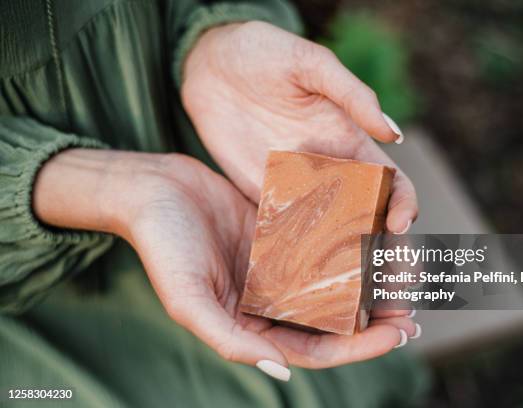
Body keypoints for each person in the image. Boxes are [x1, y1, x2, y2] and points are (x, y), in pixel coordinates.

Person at [0, 0, 426, 406]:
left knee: (338, 348)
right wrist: (90, 186)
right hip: (35, 287)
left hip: (226, 145)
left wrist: (219, 33)